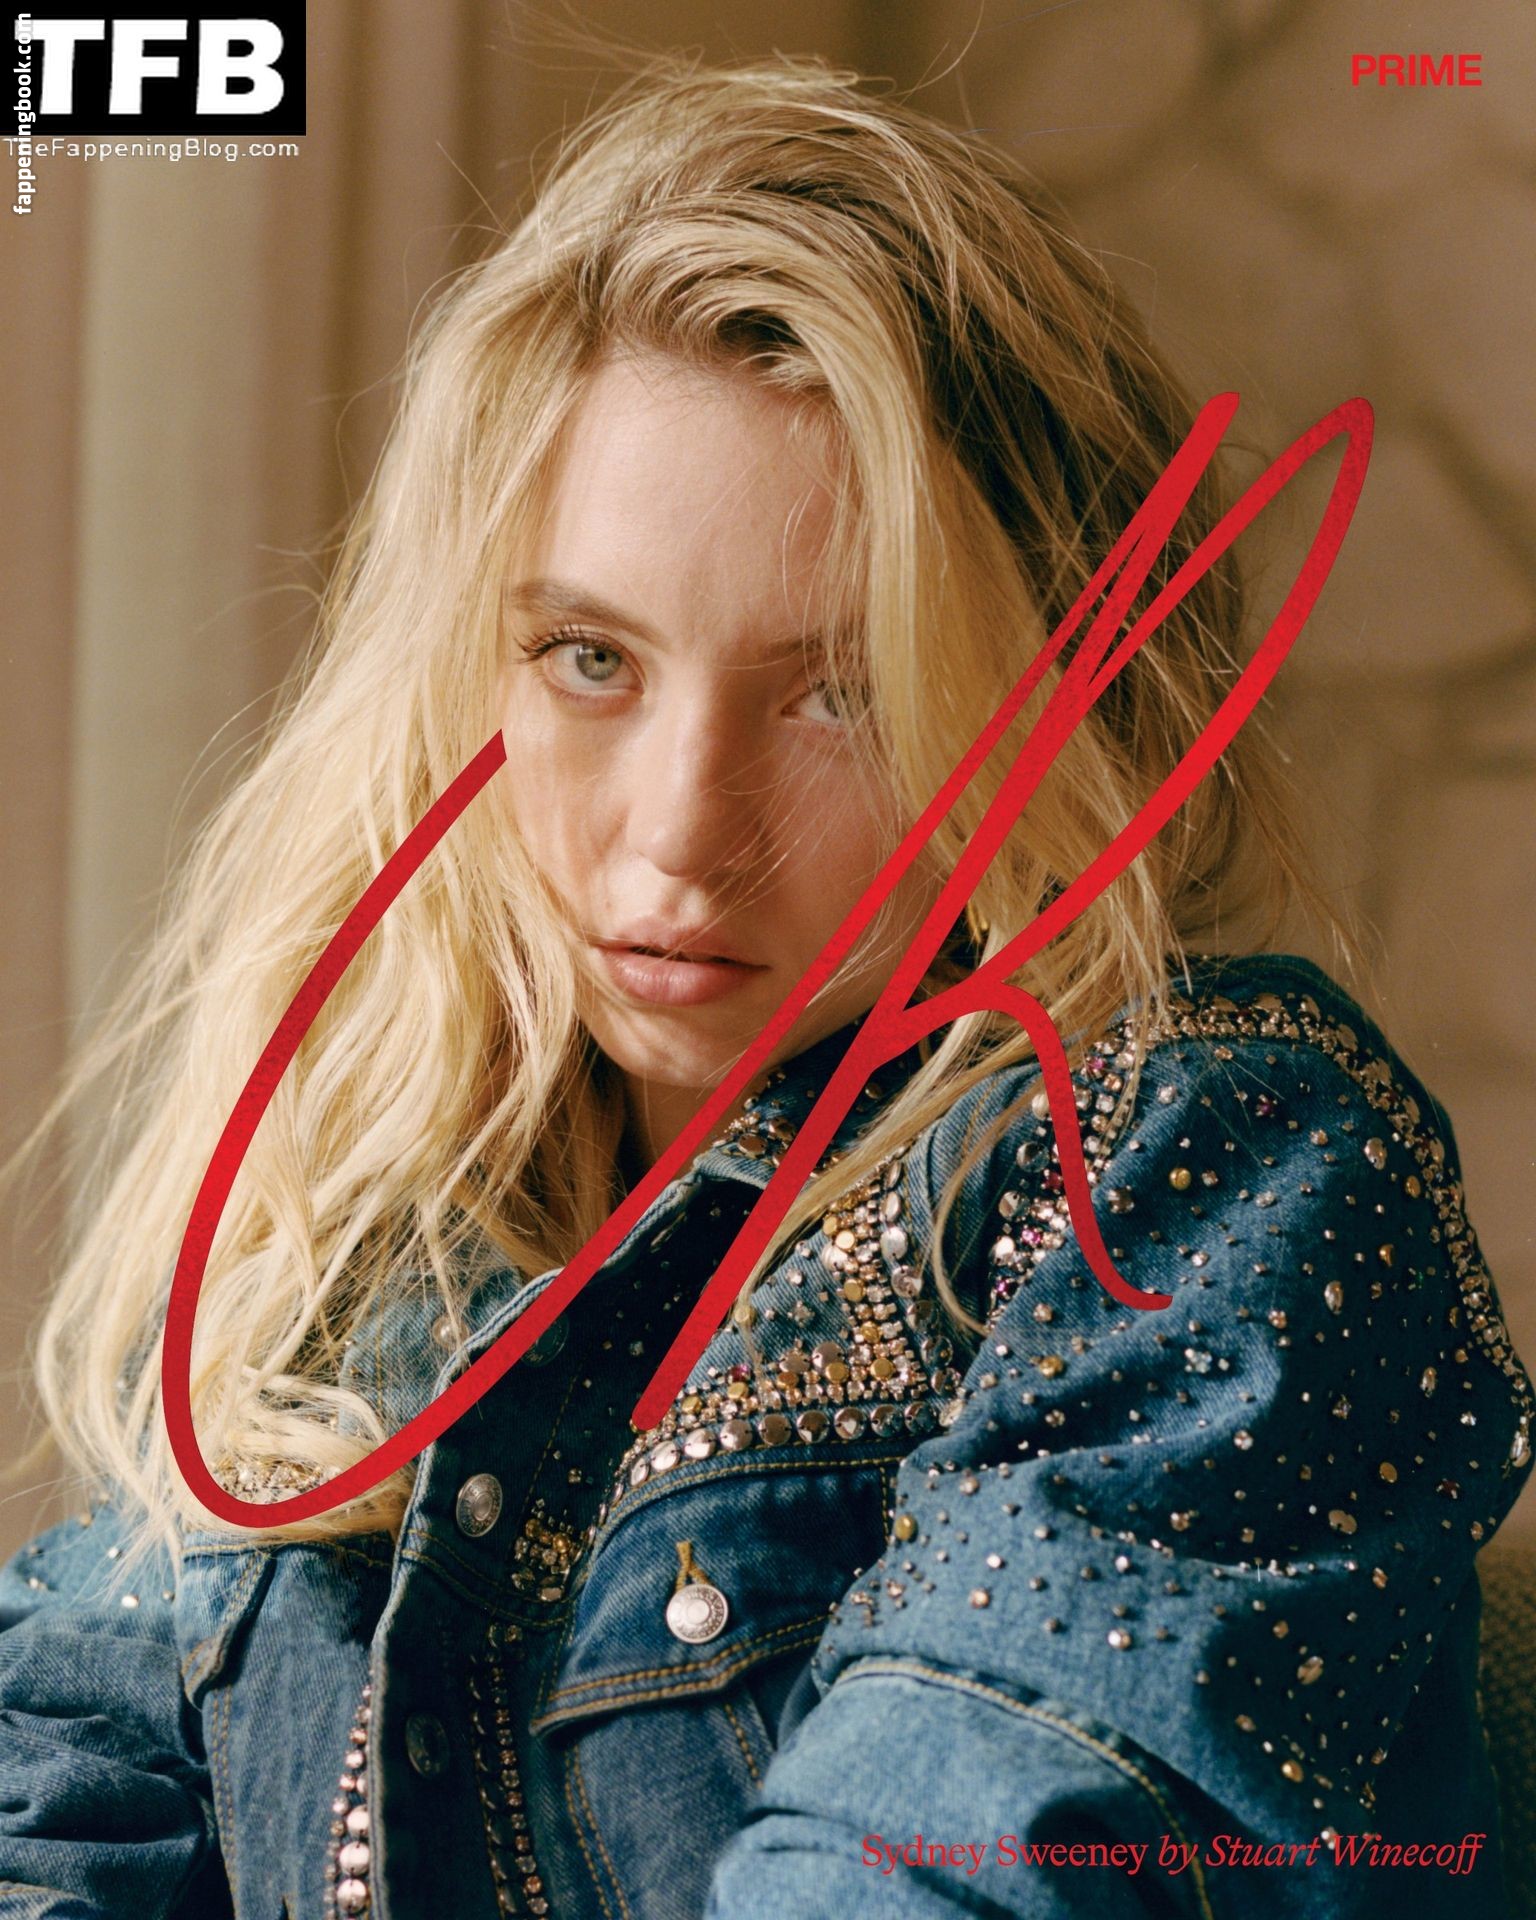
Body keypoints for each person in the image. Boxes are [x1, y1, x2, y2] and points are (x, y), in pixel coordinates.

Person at [0, 55, 1527, 1920]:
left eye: (841, 693)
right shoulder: (358, 1249)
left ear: (1063, 712)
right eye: (588, 658)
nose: (677, 834)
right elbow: (51, 1812)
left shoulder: (1198, 1162)